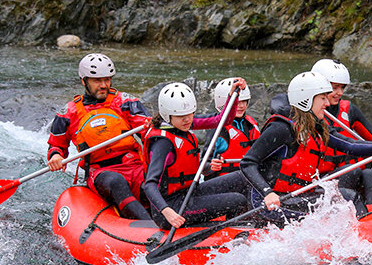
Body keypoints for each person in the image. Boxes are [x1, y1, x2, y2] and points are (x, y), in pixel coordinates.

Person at [240, 71, 372, 221]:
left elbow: (350, 145)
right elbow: (247, 163)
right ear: (307, 99)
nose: (327, 103)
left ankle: (368, 230)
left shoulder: (316, 127)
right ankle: (365, 235)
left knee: (347, 196)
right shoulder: (281, 129)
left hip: (296, 196)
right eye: (322, 98)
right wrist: (267, 193)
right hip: (269, 203)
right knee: (348, 199)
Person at [47, 53, 152, 221]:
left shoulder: (125, 102)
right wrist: (56, 156)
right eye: (97, 81)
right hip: (101, 171)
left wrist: (151, 128)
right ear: (84, 81)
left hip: (134, 164)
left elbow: (147, 129)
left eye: (107, 80)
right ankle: (151, 229)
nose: (104, 85)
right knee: (116, 182)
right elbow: (56, 146)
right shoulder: (68, 113)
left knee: (154, 184)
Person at [141, 80, 250, 230]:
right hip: (172, 208)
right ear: (168, 115)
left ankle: (242, 226)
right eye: (181, 116)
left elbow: (223, 120)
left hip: (189, 193)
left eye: (190, 114)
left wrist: (233, 95)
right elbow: (149, 185)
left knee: (242, 177)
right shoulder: (163, 143)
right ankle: (231, 235)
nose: (187, 120)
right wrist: (166, 211)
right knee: (236, 200)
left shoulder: (183, 123)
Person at [311, 58, 372, 207]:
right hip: (320, 182)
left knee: (369, 174)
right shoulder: (309, 115)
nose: (339, 93)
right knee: (352, 171)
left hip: (349, 174)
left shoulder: (349, 110)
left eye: (342, 88)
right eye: (335, 88)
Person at [203, 77, 260, 177]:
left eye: (244, 101)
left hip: (249, 177)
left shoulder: (251, 124)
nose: (241, 106)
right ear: (223, 102)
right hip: (224, 181)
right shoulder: (218, 128)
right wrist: (211, 167)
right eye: (237, 102)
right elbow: (203, 166)